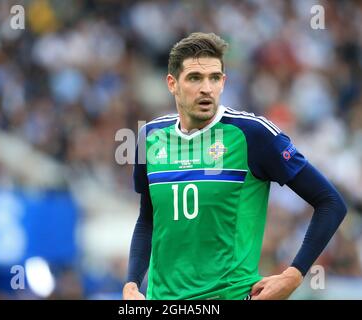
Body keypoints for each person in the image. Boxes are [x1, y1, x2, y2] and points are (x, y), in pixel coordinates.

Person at [122, 32, 347, 300]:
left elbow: (330, 202)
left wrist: (293, 275)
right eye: (195, 78)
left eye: (214, 78)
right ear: (172, 84)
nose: (207, 88)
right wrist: (132, 283)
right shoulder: (149, 137)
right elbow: (148, 218)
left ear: (223, 82)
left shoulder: (253, 134)